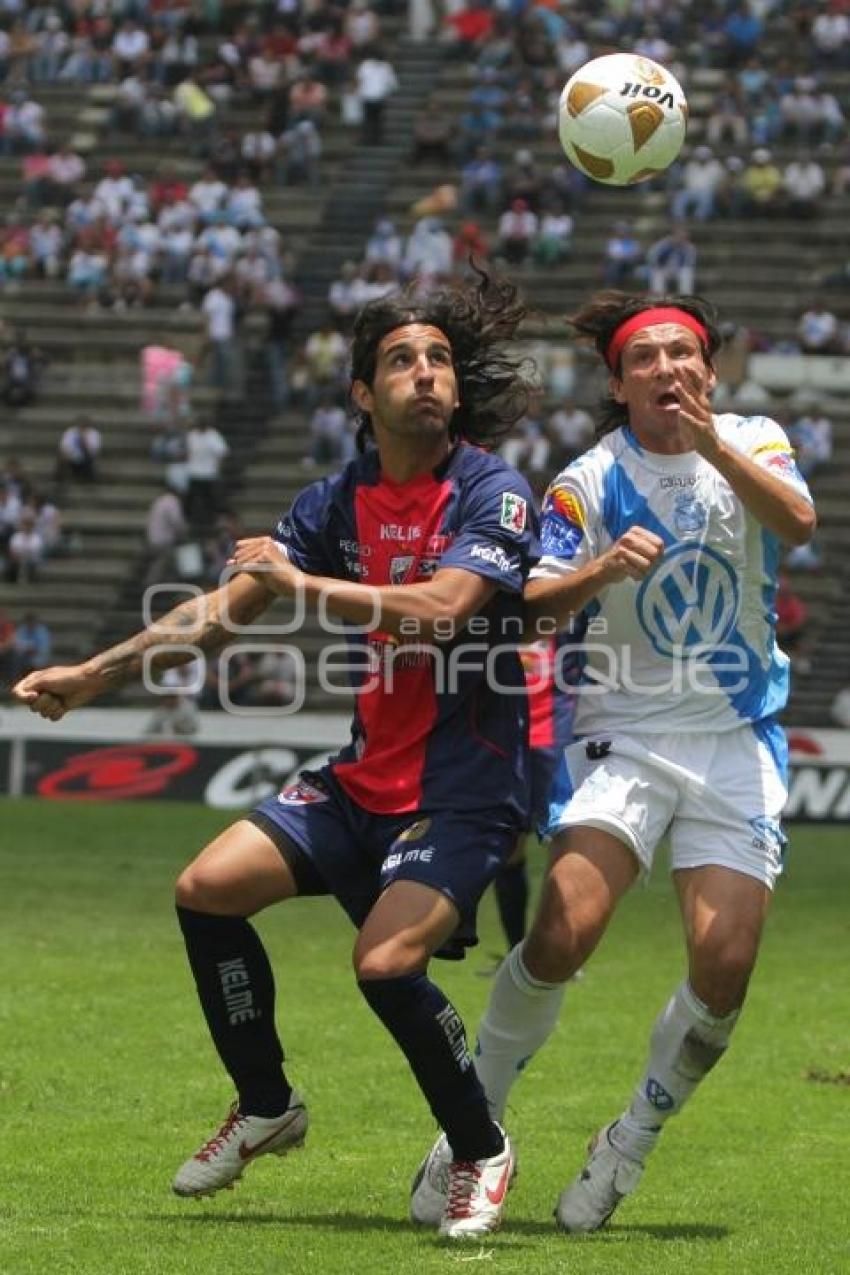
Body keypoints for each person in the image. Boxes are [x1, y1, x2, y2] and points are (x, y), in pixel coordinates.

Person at [14, 272, 542, 1241]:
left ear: (456, 392)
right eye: (399, 362)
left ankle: (478, 1149)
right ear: (361, 395)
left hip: (464, 788)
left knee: (383, 966)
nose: (424, 375)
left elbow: (444, 610)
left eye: (437, 362)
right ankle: (266, 1106)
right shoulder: (333, 500)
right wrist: (96, 673)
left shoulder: (491, 492)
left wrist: (300, 584)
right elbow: (220, 614)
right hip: (359, 779)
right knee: (204, 888)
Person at [410, 289, 816, 1231]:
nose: (668, 369)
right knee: (559, 933)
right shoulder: (588, 480)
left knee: (725, 966)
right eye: (647, 358)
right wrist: (601, 571)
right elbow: (535, 607)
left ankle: (627, 1139)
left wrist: (711, 445)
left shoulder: (752, 438)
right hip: (622, 733)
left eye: (684, 354)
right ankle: (474, 1130)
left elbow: (796, 524)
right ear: (619, 381)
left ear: (709, 371)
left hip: (734, 736)